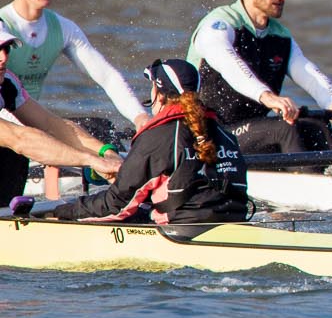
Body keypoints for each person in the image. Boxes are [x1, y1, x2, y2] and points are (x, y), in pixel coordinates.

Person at [3, 0, 149, 197]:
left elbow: (53, 122)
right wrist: (89, 159)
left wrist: (112, 147)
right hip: (15, 135)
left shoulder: (61, 30)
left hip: (25, 130)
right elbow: (20, 138)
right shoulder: (3, 23)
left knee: (98, 128)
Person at [35, 58, 248, 226]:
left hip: (181, 231)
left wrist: (63, 211)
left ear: (159, 94)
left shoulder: (157, 137)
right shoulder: (224, 133)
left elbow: (115, 205)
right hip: (233, 222)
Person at [187, 0, 332, 159]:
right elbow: (229, 65)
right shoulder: (218, 25)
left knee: (314, 122)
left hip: (251, 131)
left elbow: (309, 74)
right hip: (208, 134)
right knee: (284, 128)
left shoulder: (280, 36)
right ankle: (312, 181)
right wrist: (267, 97)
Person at [0, 28, 123, 200]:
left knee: (14, 154)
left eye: (6, 49)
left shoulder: (7, 83)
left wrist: (105, 153)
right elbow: (20, 139)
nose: (3, 58)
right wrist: (91, 160)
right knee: (14, 147)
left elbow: (51, 125)